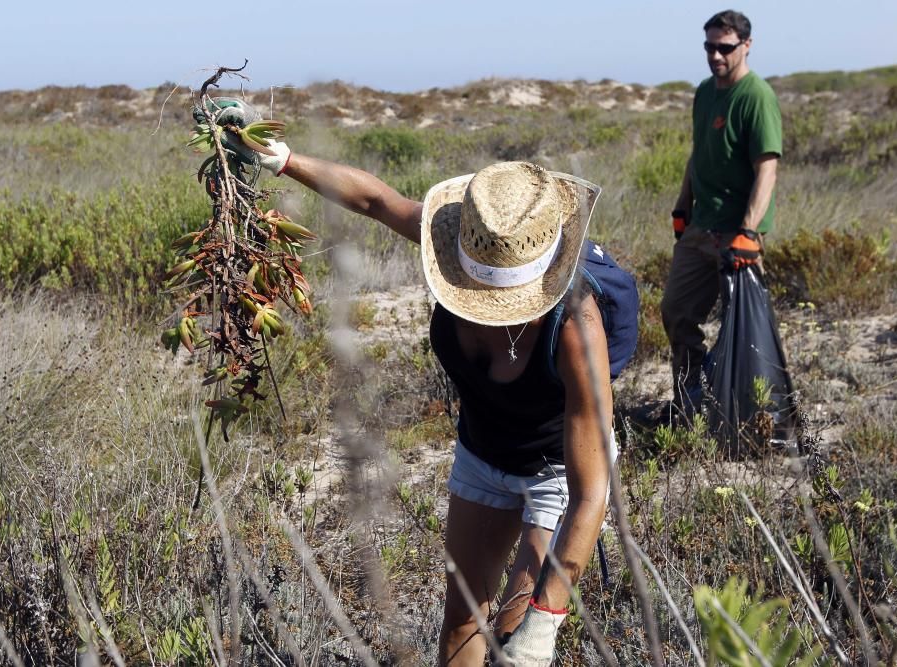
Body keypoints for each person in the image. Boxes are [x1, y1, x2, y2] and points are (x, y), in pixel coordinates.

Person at [201, 98, 636, 665]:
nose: (489, 308)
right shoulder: (459, 242)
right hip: (482, 455)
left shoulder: (578, 329)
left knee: (512, 633)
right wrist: (281, 159)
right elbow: (375, 200)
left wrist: (547, 622)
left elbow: (590, 493)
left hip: (557, 475)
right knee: (461, 625)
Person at [661, 9, 783, 419]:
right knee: (676, 312)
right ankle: (690, 400)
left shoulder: (757, 97)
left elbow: (767, 167)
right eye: (710, 47)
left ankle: (749, 414)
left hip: (736, 236)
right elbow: (698, 154)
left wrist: (748, 231)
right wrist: (683, 204)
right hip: (700, 229)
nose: (716, 56)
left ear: (746, 45)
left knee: (744, 329)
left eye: (725, 48)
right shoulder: (704, 92)